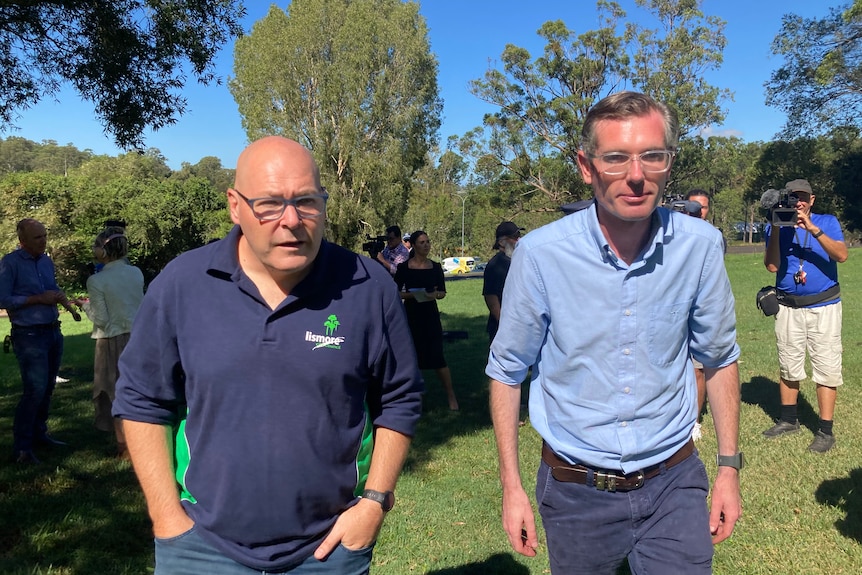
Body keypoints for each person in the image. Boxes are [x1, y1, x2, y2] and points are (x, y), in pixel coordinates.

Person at [113, 136, 423, 574]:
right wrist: (166, 516)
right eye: (270, 204)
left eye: (307, 201)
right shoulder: (183, 283)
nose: (292, 221)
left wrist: (373, 503)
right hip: (201, 547)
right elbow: (142, 401)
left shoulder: (368, 287)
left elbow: (400, 399)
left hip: (328, 549)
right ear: (235, 206)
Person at [487, 92, 742, 574]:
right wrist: (512, 487)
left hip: (674, 479)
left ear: (668, 163)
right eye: (616, 157)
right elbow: (506, 372)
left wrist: (728, 467)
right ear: (586, 166)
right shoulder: (541, 256)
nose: (636, 174)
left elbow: (720, 356)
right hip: (575, 489)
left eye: (652, 155)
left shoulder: (701, 248)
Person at [762, 178, 848, 453]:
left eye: (802, 197)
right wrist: (776, 228)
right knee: (789, 364)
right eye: (791, 197)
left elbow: (841, 255)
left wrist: (812, 228)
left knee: (826, 367)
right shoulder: (775, 225)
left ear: (811, 200)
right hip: (789, 307)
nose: (797, 202)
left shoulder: (827, 221)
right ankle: (789, 420)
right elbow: (772, 265)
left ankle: (825, 430)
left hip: (823, 306)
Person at [0, 218, 81, 464]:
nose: (43, 241)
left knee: (47, 388)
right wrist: (37, 299)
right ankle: (22, 448)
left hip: (53, 331)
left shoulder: (46, 261)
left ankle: (39, 435)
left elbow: (51, 289)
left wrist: (60, 297)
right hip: (29, 335)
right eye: (38, 237)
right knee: (34, 390)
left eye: (44, 236)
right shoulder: (9, 263)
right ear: (22, 240)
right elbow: (3, 299)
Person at [74, 226, 144, 459]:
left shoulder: (97, 280)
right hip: (138, 338)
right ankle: (144, 440)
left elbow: (102, 319)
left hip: (111, 341)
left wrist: (85, 306)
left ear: (103, 251)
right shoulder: (136, 273)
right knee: (138, 391)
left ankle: (124, 447)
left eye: (95, 246)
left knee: (113, 393)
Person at [394, 230, 459, 411]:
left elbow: (442, 292)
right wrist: (413, 295)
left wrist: (435, 294)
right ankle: (417, 396)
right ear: (413, 245)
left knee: (437, 356)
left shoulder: (436, 267)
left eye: (428, 242)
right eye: (422, 242)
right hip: (412, 315)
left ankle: (451, 395)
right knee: (413, 357)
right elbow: (396, 292)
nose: (426, 245)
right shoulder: (404, 268)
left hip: (430, 315)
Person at [684, 188, 726, 441]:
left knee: (698, 368)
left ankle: (694, 421)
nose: (698, 211)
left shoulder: (714, 237)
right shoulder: (667, 233)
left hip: (702, 309)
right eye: (692, 206)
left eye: (703, 207)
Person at [482, 221, 523, 342]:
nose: (518, 239)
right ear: (501, 242)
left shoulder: (516, 259)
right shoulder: (496, 264)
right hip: (504, 326)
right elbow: (490, 296)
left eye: (519, 235)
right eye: (514, 237)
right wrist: (503, 322)